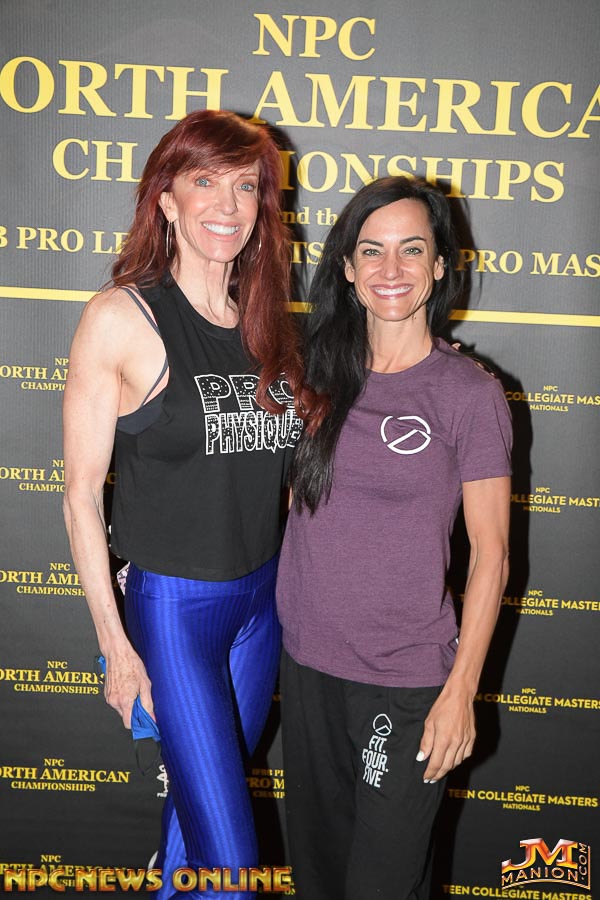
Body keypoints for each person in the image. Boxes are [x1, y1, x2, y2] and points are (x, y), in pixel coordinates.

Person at [63, 109, 321, 899]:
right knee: (232, 869)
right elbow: (79, 496)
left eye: (245, 186)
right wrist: (116, 647)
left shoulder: (266, 320)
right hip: (175, 615)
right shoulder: (122, 317)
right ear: (166, 199)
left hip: (261, 608)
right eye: (205, 181)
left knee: (194, 831)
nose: (227, 204)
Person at [276, 176, 512, 900]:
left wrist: (461, 690)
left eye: (412, 249)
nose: (391, 268)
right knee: (317, 880)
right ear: (347, 268)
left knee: (382, 885)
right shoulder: (309, 376)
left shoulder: (468, 393)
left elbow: (493, 556)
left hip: (405, 681)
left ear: (439, 266)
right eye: (371, 250)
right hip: (306, 668)